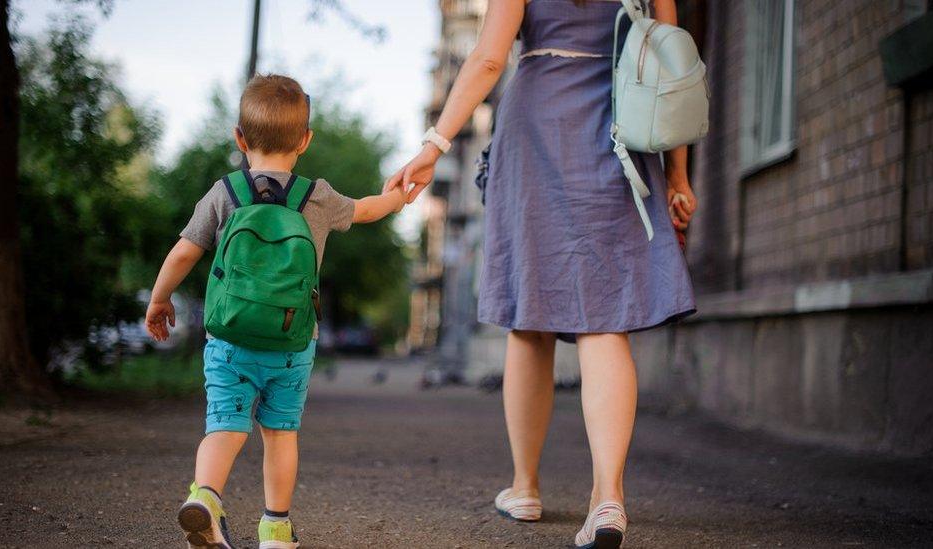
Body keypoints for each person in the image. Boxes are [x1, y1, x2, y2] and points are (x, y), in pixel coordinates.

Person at [385, 1, 697, 547]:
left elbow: (487, 59)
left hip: (536, 126)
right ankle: (607, 501)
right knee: (605, 319)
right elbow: (671, 63)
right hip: (620, 128)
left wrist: (434, 145)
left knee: (529, 314)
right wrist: (677, 174)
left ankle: (525, 488)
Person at [145, 74, 405, 549]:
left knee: (224, 424)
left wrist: (160, 299)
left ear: (239, 138)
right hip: (292, 343)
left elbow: (185, 251)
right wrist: (399, 195)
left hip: (230, 339)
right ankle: (276, 529)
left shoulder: (225, 193)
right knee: (280, 433)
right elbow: (369, 209)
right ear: (305, 141)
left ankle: (205, 497)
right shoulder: (317, 197)